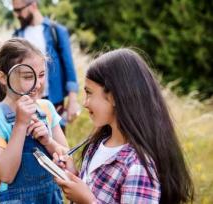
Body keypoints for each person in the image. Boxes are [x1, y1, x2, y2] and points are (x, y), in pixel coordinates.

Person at [53, 48, 194, 203]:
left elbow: (92, 199)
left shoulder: (138, 167)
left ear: (113, 97)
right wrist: (74, 175)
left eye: (89, 93)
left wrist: (87, 201)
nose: (85, 103)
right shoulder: (98, 143)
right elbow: (99, 192)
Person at [0, 38, 68, 203]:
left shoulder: (47, 108)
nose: (37, 84)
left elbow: (70, 167)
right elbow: (6, 175)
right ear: (2, 77)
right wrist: (20, 124)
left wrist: (48, 142)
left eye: (41, 75)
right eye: (28, 76)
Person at [12, 0, 80, 130]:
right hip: (28, 100)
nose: (17, 15)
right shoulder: (17, 36)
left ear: (33, 5)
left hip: (55, 101)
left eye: (19, 10)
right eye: (15, 11)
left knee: (57, 143)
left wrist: (72, 100)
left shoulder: (57, 31)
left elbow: (69, 67)